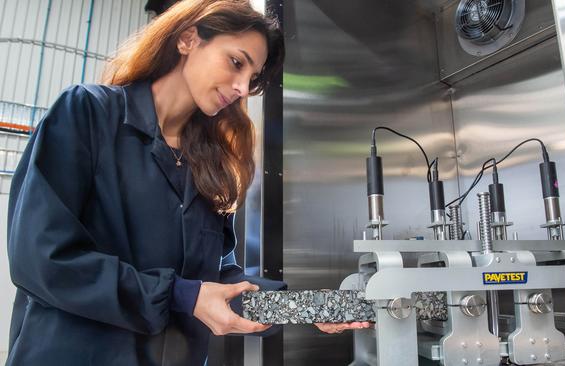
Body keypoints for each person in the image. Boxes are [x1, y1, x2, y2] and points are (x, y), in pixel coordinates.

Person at [5, 0, 368, 365]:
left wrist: (306, 307)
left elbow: (213, 280)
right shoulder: (88, 113)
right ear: (187, 39)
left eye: (253, 78)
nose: (243, 87)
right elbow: (41, 257)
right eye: (236, 62)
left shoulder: (211, 163)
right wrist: (183, 295)